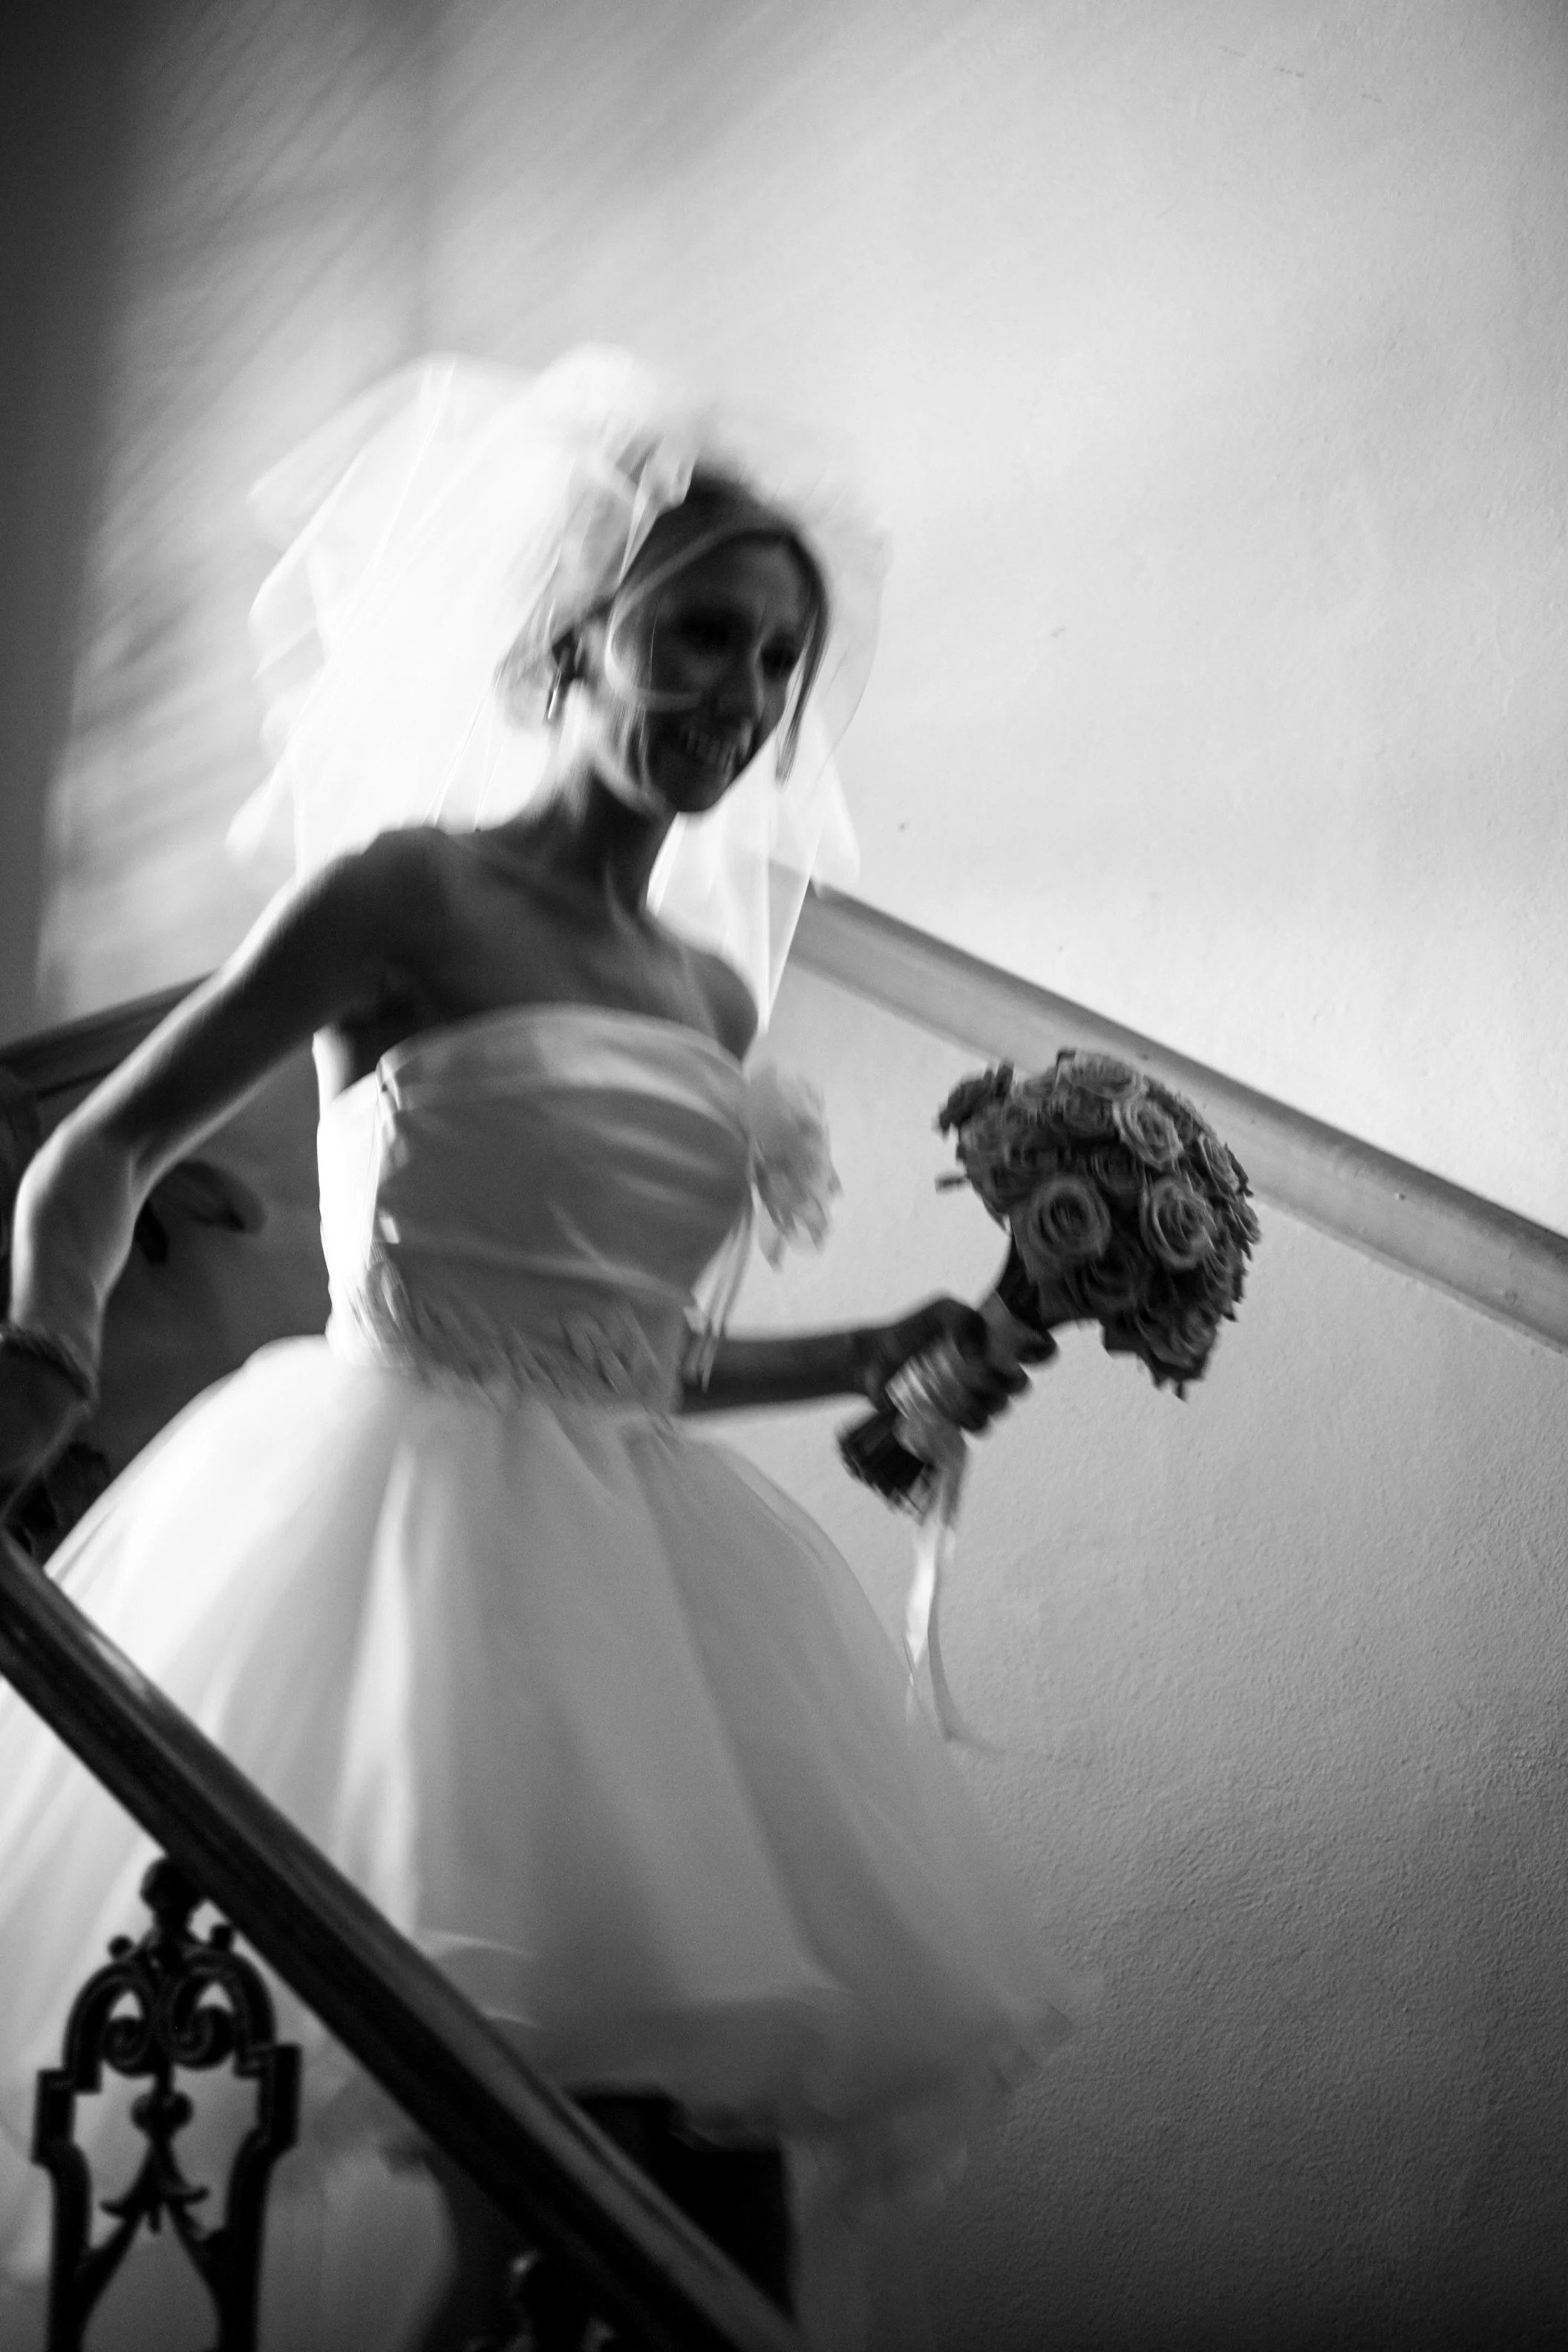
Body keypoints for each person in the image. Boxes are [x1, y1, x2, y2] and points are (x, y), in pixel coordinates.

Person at [0, 351, 1079, 2349]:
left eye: (773, 664)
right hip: (393, 1565)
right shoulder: (407, 893)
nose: (738, 699)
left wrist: (889, 1343)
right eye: (698, 639)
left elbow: (632, 1365)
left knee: (660, 2218)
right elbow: (106, 1143)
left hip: (640, 1605)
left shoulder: (711, 992)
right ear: (576, 642)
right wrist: (43, 1364)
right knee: (506, 2173)